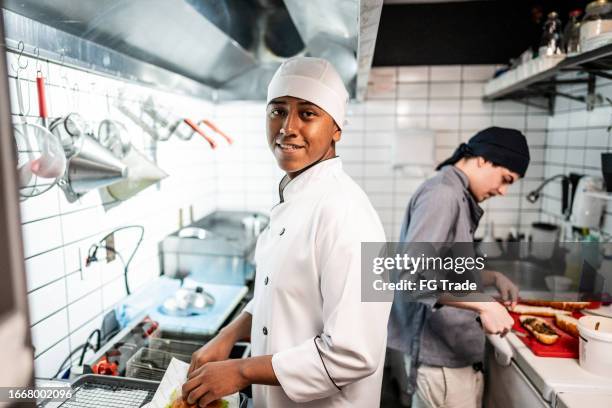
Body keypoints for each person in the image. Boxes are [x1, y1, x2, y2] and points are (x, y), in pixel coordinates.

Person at [182, 57, 391, 408]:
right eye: (277, 111)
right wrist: (229, 334)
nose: (287, 127)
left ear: (336, 128)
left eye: (307, 114)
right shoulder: (294, 200)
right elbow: (279, 294)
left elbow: (354, 353)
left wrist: (241, 372)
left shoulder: (348, 215)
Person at [387, 127, 530, 408]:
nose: (502, 191)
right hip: (441, 367)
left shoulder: (456, 193)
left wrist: (491, 276)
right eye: (505, 179)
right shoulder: (443, 195)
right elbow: (411, 278)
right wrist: (484, 305)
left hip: (450, 360)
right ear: (483, 159)